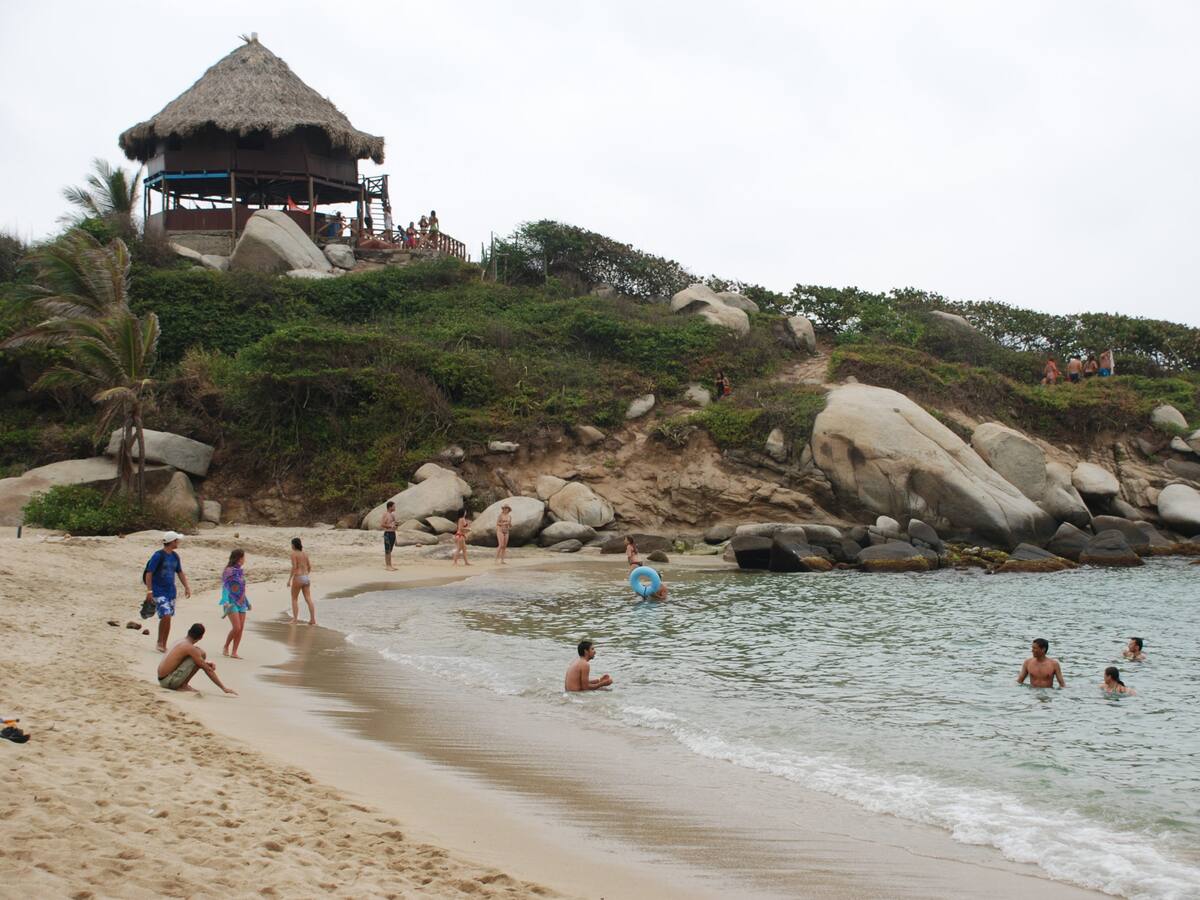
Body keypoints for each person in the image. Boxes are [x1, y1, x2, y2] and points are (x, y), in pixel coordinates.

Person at [157, 623, 237, 695]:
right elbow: (208, 670)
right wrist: (224, 688)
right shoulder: (190, 648)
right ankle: (183, 685)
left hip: (162, 679)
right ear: (201, 637)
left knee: (198, 655)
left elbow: (178, 660)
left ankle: (182, 683)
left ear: (189, 631)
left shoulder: (180, 641)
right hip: (168, 682)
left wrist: (204, 663)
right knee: (201, 654)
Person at [144, 531, 192, 653]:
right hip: (158, 591)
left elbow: (179, 572)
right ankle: (160, 642)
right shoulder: (158, 555)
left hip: (171, 591)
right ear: (172, 542)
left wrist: (186, 586)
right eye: (177, 540)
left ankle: (164, 643)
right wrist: (149, 591)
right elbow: (149, 573)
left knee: (168, 617)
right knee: (165, 615)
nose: (178, 542)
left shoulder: (175, 556)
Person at [220, 549, 250, 658]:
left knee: (241, 628)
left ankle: (234, 652)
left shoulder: (240, 571)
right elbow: (225, 587)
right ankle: (226, 646)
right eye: (243, 558)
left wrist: (247, 601)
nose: (244, 560)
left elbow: (242, 588)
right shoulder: (228, 571)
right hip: (231, 602)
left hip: (242, 603)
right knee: (236, 627)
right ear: (238, 558)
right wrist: (225, 601)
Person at [288, 537, 316, 625]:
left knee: (294, 599)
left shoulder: (293, 554)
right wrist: (306, 575)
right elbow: (309, 566)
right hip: (306, 577)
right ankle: (312, 619)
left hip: (298, 577)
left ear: (293, 545)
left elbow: (294, 567)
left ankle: (295, 620)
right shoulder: (305, 554)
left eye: (291, 544)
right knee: (308, 599)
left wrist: (289, 579)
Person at [382, 500, 399, 571]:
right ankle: (387, 566)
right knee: (387, 550)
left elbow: (393, 524)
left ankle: (390, 565)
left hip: (393, 533)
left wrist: (396, 525)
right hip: (387, 533)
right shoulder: (385, 514)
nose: (395, 507)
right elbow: (382, 524)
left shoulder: (392, 515)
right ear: (390, 507)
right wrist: (390, 526)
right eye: (394, 506)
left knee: (390, 550)